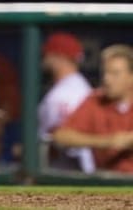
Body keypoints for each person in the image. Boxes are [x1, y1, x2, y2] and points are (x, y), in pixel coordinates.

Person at [53, 44, 133, 173]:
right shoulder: (96, 100)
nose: (107, 79)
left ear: (131, 77)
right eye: (105, 73)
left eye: (115, 73)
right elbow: (62, 136)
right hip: (107, 183)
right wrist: (108, 141)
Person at [38, 32, 95, 173]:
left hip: (70, 169)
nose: (44, 58)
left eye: (47, 54)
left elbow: (64, 139)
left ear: (58, 56)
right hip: (66, 167)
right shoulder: (77, 87)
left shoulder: (67, 94)